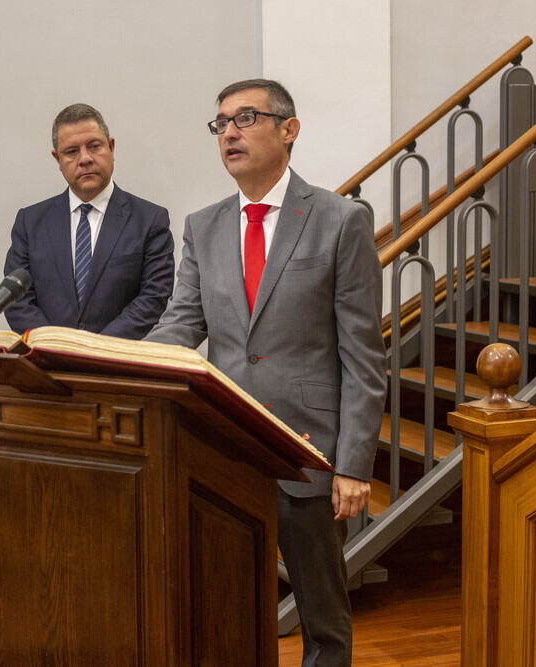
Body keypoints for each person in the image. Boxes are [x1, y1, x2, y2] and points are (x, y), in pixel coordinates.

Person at [145, 80, 386, 666]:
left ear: (289, 129)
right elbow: (182, 323)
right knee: (228, 601)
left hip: (308, 452)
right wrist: (115, 358)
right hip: (226, 451)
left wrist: (353, 464)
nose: (229, 131)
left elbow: (362, 355)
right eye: (221, 122)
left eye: (246, 118)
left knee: (321, 615)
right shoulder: (203, 225)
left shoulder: (339, 219)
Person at [3, 103, 174, 339]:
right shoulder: (30, 222)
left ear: (111, 148)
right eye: (72, 151)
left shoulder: (150, 220)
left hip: (116, 364)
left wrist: (94, 349)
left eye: (94, 146)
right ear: (57, 159)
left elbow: (153, 298)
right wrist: (55, 346)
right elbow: (17, 299)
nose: (85, 159)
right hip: (47, 363)